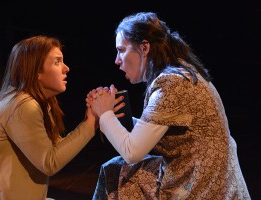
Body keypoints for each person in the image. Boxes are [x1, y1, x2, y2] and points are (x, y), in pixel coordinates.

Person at [86, 12, 251, 199]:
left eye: (122, 50)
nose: (117, 60)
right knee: (116, 169)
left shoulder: (172, 84)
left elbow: (132, 152)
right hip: (201, 177)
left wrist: (105, 114)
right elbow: (150, 131)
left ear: (144, 47)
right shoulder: (178, 73)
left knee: (121, 173)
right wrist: (115, 116)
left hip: (205, 188)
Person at [0, 35, 122, 200]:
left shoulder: (38, 103)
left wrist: (92, 118)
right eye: (57, 62)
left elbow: (53, 149)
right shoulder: (22, 105)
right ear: (36, 71)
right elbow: (49, 163)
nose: (66, 68)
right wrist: (91, 121)